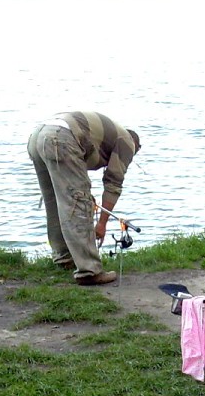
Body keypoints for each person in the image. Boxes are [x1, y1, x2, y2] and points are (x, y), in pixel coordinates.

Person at [27, 112, 141, 285]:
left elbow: (74, 175)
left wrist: (83, 194)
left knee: (55, 201)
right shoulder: (127, 143)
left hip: (39, 137)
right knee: (78, 206)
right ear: (136, 146)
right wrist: (101, 223)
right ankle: (89, 271)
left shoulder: (107, 136)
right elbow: (113, 184)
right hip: (61, 137)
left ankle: (64, 258)